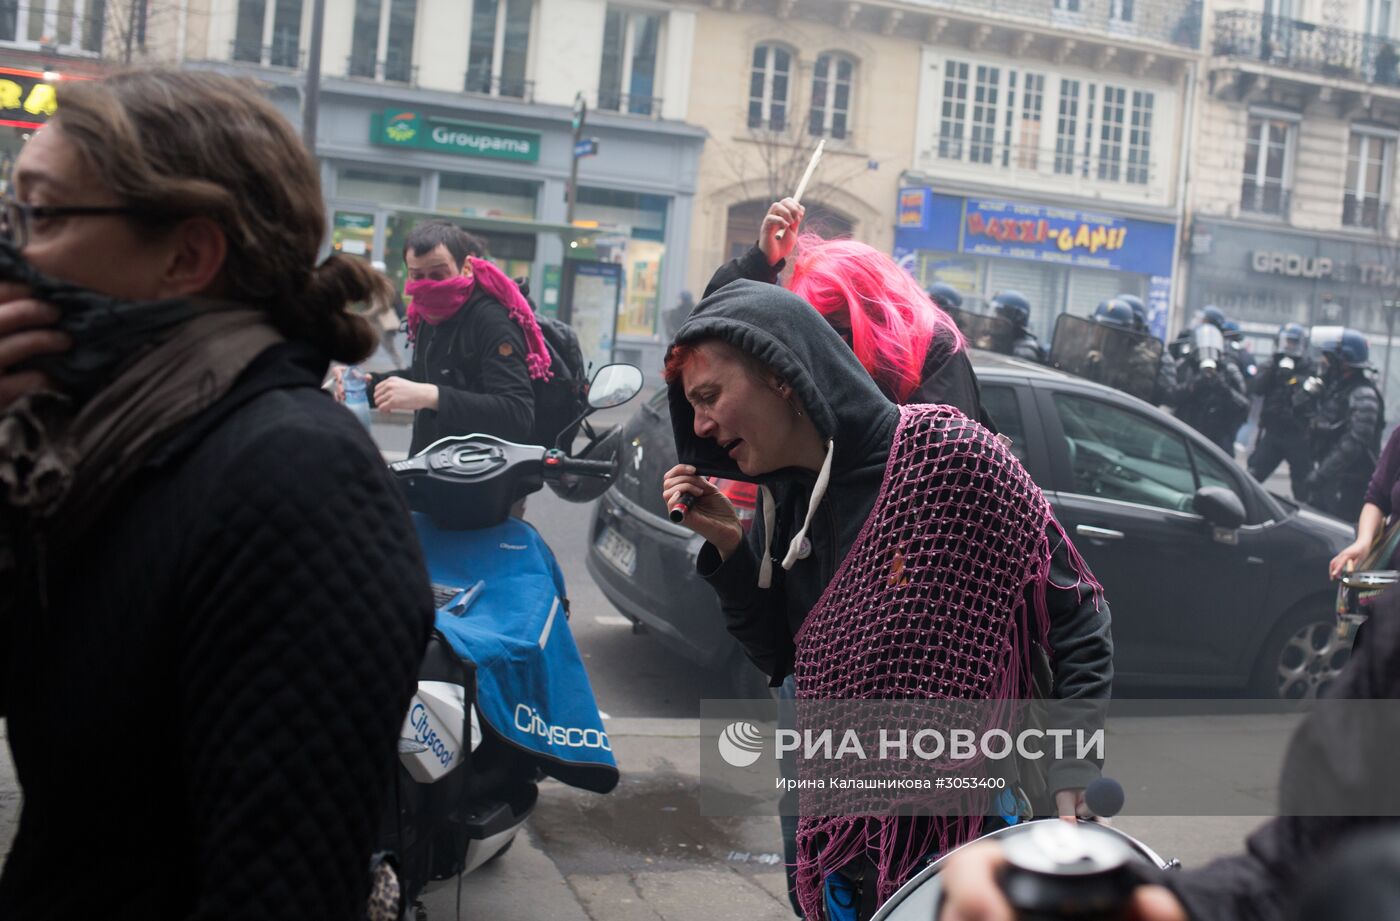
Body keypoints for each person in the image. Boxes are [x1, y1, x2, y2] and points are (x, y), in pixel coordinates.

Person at [0, 70, 433, 918]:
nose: (12, 247)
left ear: (188, 255)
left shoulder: (296, 481)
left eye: (40, 216)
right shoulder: (95, 443)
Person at [660, 281, 1112, 921]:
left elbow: (1078, 612)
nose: (701, 424)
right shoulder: (788, 498)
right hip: (844, 835)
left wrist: (1073, 764)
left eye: (710, 397)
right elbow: (783, 659)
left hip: (967, 837)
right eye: (693, 408)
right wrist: (732, 550)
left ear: (783, 377)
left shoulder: (949, 456)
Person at [935, 581, 1400, 921]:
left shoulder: (983, 477)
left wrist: (1071, 763)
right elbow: (1293, 875)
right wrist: (1169, 906)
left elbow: (1083, 614)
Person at [703, 198, 988, 423]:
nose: (826, 344)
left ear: (875, 317)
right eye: (817, 329)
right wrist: (761, 260)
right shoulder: (815, 363)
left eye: (836, 328)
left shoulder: (933, 351)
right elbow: (710, 329)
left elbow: (941, 468)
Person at [353, 220, 550, 456]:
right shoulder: (426, 314)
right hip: (429, 469)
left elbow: (517, 413)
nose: (428, 285)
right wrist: (368, 384)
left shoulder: (492, 321)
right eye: (418, 276)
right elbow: (428, 376)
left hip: (482, 478)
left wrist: (431, 395)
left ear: (466, 267)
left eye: (438, 274)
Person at [1296, 329, 1383, 520]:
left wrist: (1322, 473)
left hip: (1348, 484)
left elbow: (1353, 443)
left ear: (1344, 361)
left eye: (1328, 357)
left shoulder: (1362, 394)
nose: (1324, 362)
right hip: (1331, 479)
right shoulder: (1335, 388)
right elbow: (1301, 410)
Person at [1249, 323, 1315, 501]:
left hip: (1297, 435)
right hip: (1273, 432)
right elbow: (1256, 388)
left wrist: (1293, 381)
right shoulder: (1273, 364)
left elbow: (1308, 398)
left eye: (1293, 342)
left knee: (1303, 484)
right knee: (1252, 476)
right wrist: (1273, 368)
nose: (1289, 346)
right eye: (1287, 342)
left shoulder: (1308, 368)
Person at [1174, 324, 1250, 454]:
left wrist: (1222, 387)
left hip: (1219, 436)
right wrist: (1195, 384)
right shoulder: (1186, 367)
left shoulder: (1228, 370)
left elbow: (1243, 406)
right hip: (1186, 431)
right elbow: (1170, 396)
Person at [991, 290, 1047, 363]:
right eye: (997, 313)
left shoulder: (1024, 350)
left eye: (1001, 314)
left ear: (1016, 317)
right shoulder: (1001, 341)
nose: (996, 318)